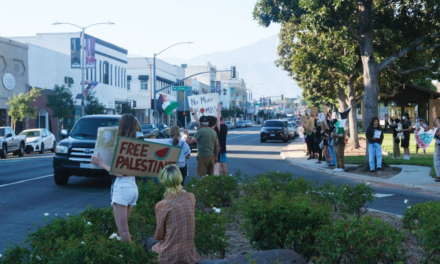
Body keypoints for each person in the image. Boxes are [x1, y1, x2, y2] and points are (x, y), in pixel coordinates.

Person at [90, 114, 139, 242]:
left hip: (122, 187)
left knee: (122, 230)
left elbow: (119, 173)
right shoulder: (136, 143)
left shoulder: (122, 144)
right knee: (125, 229)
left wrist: (100, 163)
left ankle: (132, 259)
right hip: (133, 185)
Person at [146, 165, 201, 263]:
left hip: (170, 256)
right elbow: (183, 192)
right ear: (180, 178)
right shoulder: (191, 198)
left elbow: (159, 235)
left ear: (163, 181)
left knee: (148, 242)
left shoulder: (162, 205)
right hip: (189, 254)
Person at [185, 111, 220, 178]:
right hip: (211, 156)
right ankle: (210, 188)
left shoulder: (200, 131)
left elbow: (190, 142)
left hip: (202, 156)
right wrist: (216, 156)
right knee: (211, 176)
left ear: (200, 123)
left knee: (202, 175)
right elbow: (218, 145)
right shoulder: (213, 132)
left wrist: (186, 134)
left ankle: (203, 188)